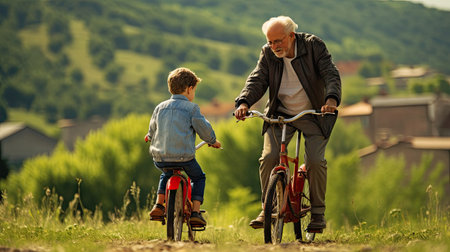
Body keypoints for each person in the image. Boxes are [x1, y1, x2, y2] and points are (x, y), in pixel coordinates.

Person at [234, 16, 341, 230]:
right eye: (270, 42)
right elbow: (257, 79)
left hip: (313, 114)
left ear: (291, 36)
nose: (273, 46)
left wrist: (331, 100)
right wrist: (244, 101)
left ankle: (318, 214)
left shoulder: (313, 46)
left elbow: (330, 73)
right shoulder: (267, 53)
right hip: (279, 114)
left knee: (315, 161)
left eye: (278, 41)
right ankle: (268, 209)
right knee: (269, 157)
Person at [145, 67, 222, 226]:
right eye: (194, 90)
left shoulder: (159, 107)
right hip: (184, 157)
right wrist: (212, 141)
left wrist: (150, 136)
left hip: (161, 158)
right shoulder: (192, 108)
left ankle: (159, 205)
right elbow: (204, 129)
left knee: (165, 174)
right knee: (198, 177)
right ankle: (195, 212)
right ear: (189, 89)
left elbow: (152, 127)